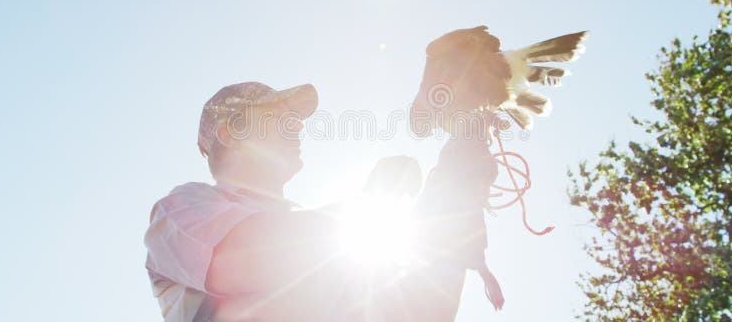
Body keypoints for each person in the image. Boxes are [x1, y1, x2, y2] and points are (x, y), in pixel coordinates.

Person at [144, 81, 499, 321]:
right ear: (229, 134)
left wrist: (452, 198)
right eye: (280, 117)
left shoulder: (313, 226)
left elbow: (420, 311)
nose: (297, 127)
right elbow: (249, 259)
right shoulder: (181, 208)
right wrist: (372, 200)